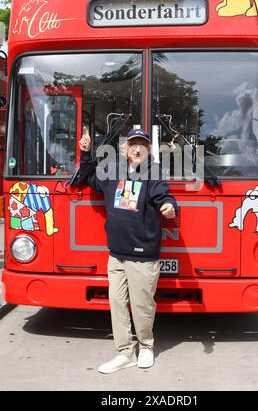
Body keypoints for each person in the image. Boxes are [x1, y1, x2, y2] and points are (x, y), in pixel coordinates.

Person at [79, 127, 178, 373]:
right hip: (116, 254)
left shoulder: (153, 172)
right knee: (117, 303)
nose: (137, 148)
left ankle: (145, 347)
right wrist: (85, 151)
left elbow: (163, 195)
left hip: (142, 256)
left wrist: (169, 205)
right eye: (133, 144)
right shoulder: (113, 171)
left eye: (142, 144)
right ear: (125, 149)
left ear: (149, 150)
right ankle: (124, 352)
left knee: (142, 305)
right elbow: (88, 176)